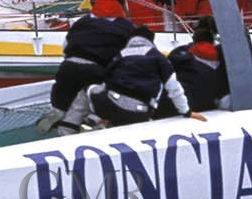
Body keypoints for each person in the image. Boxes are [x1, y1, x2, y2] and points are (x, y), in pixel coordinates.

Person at [36, 0, 136, 134]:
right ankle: (92, 120)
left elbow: (65, 47)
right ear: (121, 6)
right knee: (93, 100)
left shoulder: (82, 22)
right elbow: (128, 56)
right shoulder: (125, 26)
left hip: (68, 67)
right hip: (95, 70)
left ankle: (58, 111)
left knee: (64, 99)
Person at [63, 27, 201, 129]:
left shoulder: (120, 56)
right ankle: (101, 122)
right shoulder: (158, 58)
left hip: (112, 103)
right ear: (151, 41)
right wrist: (186, 111)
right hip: (141, 113)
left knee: (89, 90)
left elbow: (106, 82)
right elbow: (174, 88)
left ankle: (71, 128)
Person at [163, 17, 231, 114]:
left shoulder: (178, 53)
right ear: (213, 36)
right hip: (211, 102)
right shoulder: (224, 54)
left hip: (182, 103)